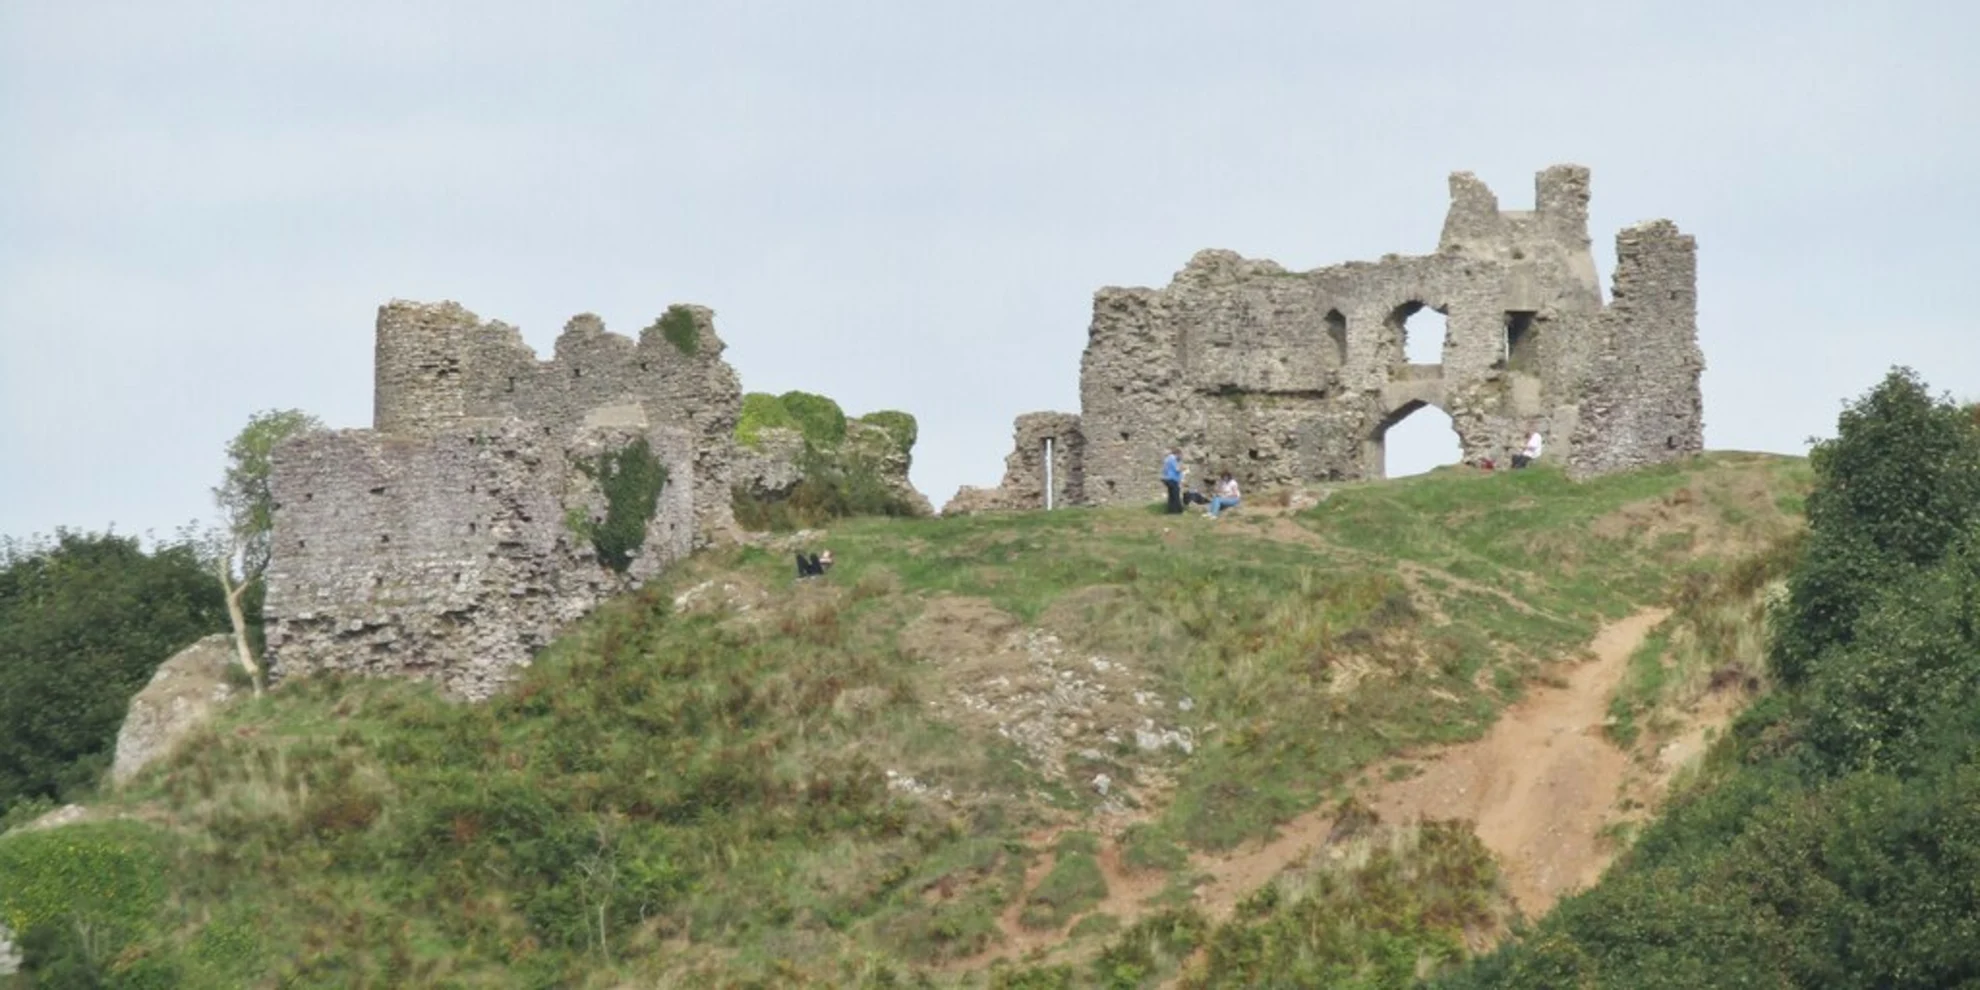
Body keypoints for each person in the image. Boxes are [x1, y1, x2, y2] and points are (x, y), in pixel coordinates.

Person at [1161, 447, 1185, 514]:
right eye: (1181, 455)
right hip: (1172, 479)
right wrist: (1184, 469)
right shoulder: (1172, 459)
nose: (1181, 456)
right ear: (1177, 454)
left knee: (1171, 495)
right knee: (1175, 495)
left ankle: (1171, 510)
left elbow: (1165, 470)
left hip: (1167, 479)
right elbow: (1177, 469)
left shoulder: (1167, 459)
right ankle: (1177, 511)